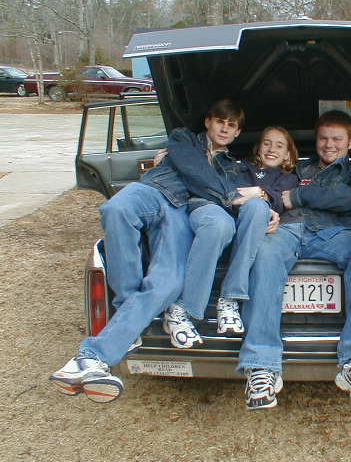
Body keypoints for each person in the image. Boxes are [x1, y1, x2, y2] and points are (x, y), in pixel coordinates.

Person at [49, 99, 245, 402]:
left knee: (167, 283)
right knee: (115, 209)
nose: (224, 128)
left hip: (181, 212)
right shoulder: (182, 139)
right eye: (220, 121)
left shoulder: (233, 166)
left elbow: (221, 197)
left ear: (236, 133)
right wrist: (226, 193)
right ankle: (127, 305)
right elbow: (198, 174)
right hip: (154, 191)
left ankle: (93, 356)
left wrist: (226, 193)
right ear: (208, 121)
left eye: (231, 125)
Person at [237, 110, 351, 410]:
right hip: (290, 229)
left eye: (337, 139)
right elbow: (260, 182)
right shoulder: (298, 168)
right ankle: (262, 364)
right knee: (264, 255)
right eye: (323, 138)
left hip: (334, 232)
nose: (329, 145)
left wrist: (300, 196)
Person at [166, 126, 299, 344]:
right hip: (226, 221)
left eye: (279, 145)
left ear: (288, 154)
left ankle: (229, 298)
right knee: (247, 209)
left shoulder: (288, 178)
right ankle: (186, 309)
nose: (272, 149)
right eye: (266, 143)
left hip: (252, 227)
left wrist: (258, 197)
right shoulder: (237, 167)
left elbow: (277, 199)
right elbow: (218, 187)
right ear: (258, 148)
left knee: (257, 206)